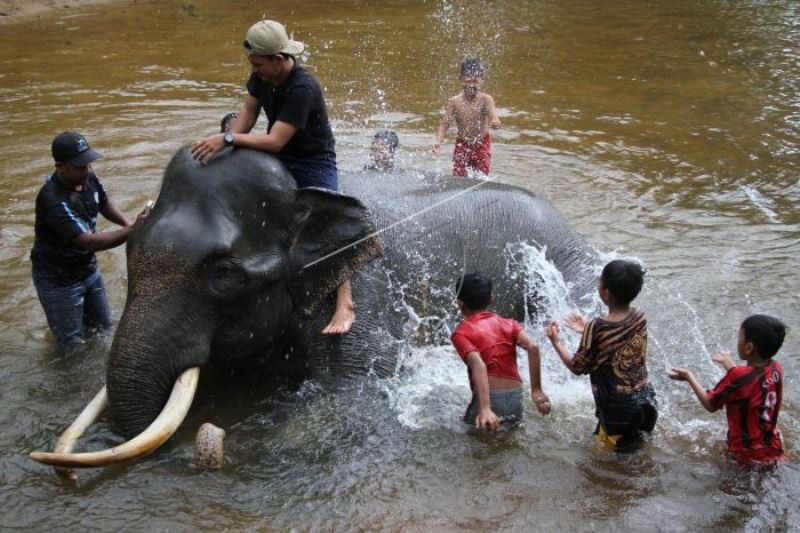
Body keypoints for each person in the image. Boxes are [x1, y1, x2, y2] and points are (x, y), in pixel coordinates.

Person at [191, 19, 353, 335]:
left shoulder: (302, 87)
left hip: (312, 160)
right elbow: (248, 116)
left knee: (326, 222)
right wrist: (221, 149)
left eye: (259, 64)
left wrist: (226, 140)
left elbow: (276, 139)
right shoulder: (261, 77)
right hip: (279, 156)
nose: (254, 70)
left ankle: (345, 301)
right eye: (252, 65)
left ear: (279, 59)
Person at [31, 131, 146, 350]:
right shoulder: (53, 200)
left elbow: (104, 203)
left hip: (88, 270)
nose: (87, 170)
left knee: (103, 329)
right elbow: (89, 242)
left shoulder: (88, 177)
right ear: (60, 166)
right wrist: (133, 230)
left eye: (88, 163)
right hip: (59, 281)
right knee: (72, 347)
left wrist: (127, 224)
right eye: (79, 166)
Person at [546, 259, 657, 448]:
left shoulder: (597, 327)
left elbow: (577, 367)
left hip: (618, 411)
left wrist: (557, 343)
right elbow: (619, 338)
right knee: (637, 450)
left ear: (606, 292)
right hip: (647, 399)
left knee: (611, 464)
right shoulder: (640, 316)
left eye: (600, 281)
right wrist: (587, 329)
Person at [668, 315, 788, 464]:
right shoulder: (776, 368)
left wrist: (689, 376)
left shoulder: (738, 376)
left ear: (749, 347)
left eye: (740, 337)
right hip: (774, 446)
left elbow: (710, 404)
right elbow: (753, 383)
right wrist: (731, 368)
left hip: (747, 454)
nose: (737, 341)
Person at [451, 272, 551, 431]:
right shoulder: (509, 324)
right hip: (516, 396)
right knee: (508, 441)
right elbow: (533, 347)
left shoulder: (461, 333)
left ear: (460, 304)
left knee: (472, 442)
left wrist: (484, 408)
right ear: (491, 299)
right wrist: (536, 390)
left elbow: (479, 365)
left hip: (490, 399)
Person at [432, 58, 500, 177]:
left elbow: (494, 118)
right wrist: (438, 142)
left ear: (482, 80)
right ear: (461, 79)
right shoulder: (454, 101)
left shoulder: (486, 100)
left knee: (481, 177)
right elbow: (444, 124)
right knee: (458, 175)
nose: (471, 84)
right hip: (462, 143)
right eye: (468, 79)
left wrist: (495, 123)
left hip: (481, 143)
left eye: (475, 80)